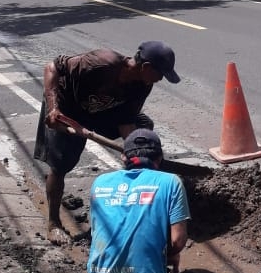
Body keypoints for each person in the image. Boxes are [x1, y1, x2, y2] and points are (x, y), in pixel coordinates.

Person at [33, 41, 181, 245]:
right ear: (146, 67)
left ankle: (132, 195)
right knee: (61, 165)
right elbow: (52, 67)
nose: (160, 79)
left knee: (143, 129)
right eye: (160, 74)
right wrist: (53, 107)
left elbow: (127, 120)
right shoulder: (102, 63)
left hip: (100, 111)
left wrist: (136, 151)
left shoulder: (142, 86)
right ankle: (54, 223)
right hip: (67, 109)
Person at [87, 130, 189, 273]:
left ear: (123, 157)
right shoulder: (170, 182)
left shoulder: (100, 183)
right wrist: (170, 255)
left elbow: (98, 232)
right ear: (159, 158)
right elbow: (178, 239)